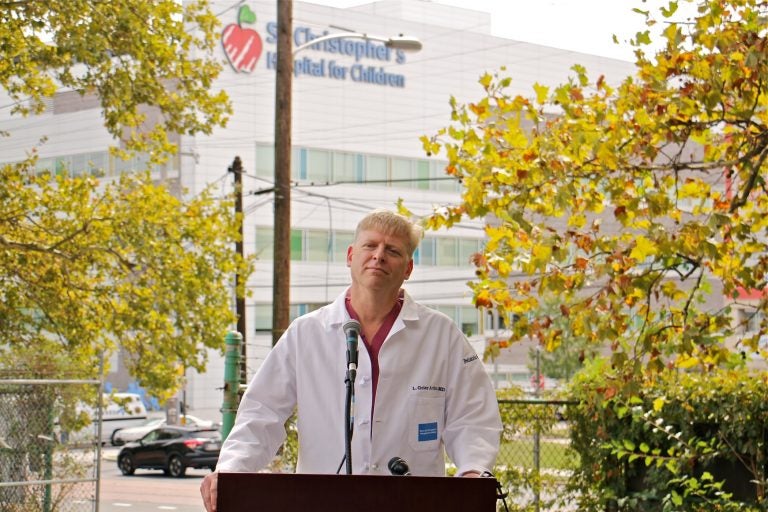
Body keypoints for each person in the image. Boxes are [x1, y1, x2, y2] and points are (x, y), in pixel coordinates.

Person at [201, 209, 501, 511]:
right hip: (321, 502)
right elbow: (261, 412)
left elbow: (472, 416)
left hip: (411, 501)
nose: (379, 256)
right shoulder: (307, 333)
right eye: (370, 246)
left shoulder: (441, 335)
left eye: (393, 250)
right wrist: (231, 470)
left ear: (408, 268)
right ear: (350, 256)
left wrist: (473, 472)